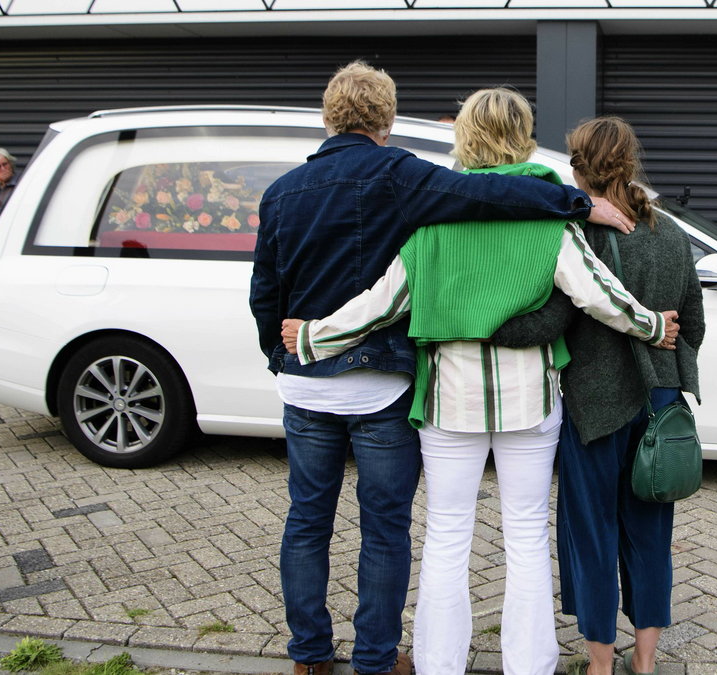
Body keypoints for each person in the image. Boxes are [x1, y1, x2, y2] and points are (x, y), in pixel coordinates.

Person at [248, 63, 633, 675]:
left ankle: (319, 658)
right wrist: (577, 204)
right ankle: (387, 658)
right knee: (410, 529)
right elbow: (497, 196)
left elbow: (267, 292)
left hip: (339, 386)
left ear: (328, 115)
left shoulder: (283, 192)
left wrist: (290, 350)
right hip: (403, 387)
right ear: (387, 118)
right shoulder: (407, 177)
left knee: (319, 524)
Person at [495, 116, 705, 675]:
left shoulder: (576, 233)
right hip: (659, 408)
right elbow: (695, 325)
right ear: (630, 163)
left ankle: (598, 663)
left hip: (593, 408)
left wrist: (484, 323)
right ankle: (645, 659)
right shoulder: (672, 236)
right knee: (651, 534)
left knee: (591, 534)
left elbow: (551, 320)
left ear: (579, 166)